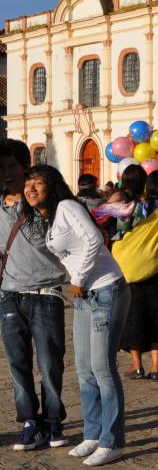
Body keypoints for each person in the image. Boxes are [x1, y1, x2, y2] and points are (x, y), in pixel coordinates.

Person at [21, 165, 130, 466]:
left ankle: (112, 441)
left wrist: (79, 279)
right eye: (27, 183)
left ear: (51, 185)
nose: (31, 189)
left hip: (107, 290)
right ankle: (93, 435)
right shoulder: (47, 218)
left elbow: (95, 240)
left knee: (103, 369)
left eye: (37, 183)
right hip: (84, 295)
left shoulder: (67, 206)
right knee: (84, 369)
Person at [0, 140, 68, 451]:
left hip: (46, 293)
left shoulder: (45, 205)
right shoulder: (0, 204)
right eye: (1, 168)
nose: (6, 173)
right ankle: (30, 419)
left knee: (51, 363)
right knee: (17, 363)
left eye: (12, 166)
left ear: (25, 167)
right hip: (10, 295)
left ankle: (53, 419)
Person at [119, 171, 158, 381]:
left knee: (135, 316)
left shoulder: (139, 207)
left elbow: (124, 231)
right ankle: (156, 369)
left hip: (137, 268)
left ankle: (137, 365)